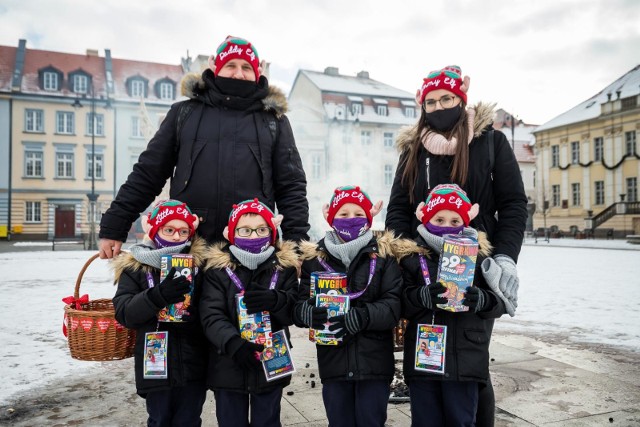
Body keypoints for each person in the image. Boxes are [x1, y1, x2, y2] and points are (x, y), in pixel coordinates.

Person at [385, 65, 528, 426]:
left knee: (472, 362)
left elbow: (513, 203)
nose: (438, 106)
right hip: (424, 268)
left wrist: (506, 258)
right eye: (430, 101)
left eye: (446, 98)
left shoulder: (491, 142)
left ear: (461, 98)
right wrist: (406, 257)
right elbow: (399, 209)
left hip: (477, 267)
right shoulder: (413, 149)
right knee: (427, 360)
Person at [98, 35, 309, 259]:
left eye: (246, 67)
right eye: (231, 65)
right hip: (188, 248)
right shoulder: (183, 114)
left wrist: (297, 247)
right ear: (215, 66)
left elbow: (291, 188)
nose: (238, 73)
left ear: (258, 71)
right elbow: (148, 174)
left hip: (253, 252)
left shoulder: (274, 121)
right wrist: (115, 226)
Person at [395, 184, 506, 426]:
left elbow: (500, 302)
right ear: (427, 217)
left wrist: (483, 300)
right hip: (424, 359)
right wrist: (420, 297)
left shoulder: (480, 256)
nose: (447, 226)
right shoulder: (412, 257)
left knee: (461, 420)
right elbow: (399, 301)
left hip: (465, 362)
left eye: (455, 220)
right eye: (440, 218)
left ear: (466, 222)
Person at [293, 185, 402, 427]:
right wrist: (309, 313)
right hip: (334, 363)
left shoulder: (385, 256)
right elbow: (299, 307)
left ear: (369, 217)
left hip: (374, 364)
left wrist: (362, 316)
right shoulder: (315, 260)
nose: (351, 219)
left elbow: (394, 305)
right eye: (343, 214)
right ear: (331, 218)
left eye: (358, 214)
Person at [199, 198, 299, 427]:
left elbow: (294, 309)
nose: (254, 236)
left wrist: (277, 300)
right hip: (228, 364)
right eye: (245, 230)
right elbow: (210, 314)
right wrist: (233, 343)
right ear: (231, 233)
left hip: (272, 361)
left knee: (268, 420)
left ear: (272, 231)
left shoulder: (284, 268)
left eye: (261, 229)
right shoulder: (216, 271)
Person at [112, 199, 209, 426]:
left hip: (193, 363)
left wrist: (192, 312)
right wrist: (157, 296)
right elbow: (124, 313)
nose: (177, 237)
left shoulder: (200, 265)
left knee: (189, 420)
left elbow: (211, 309)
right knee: (159, 420)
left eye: (183, 231)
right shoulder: (134, 266)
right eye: (169, 230)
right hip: (154, 363)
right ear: (155, 230)